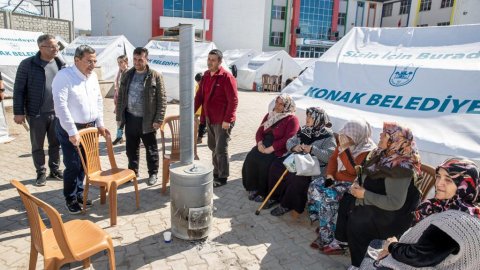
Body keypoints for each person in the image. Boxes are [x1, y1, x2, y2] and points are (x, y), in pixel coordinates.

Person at [359, 158, 480, 270]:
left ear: (465, 185)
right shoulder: (462, 211)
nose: (438, 183)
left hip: (412, 263)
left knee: (368, 255)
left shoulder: (455, 220)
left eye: (448, 180)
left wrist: (392, 247)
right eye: (438, 176)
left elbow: (419, 257)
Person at [336, 122, 421, 268]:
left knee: (358, 220)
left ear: (396, 140)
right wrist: (358, 183)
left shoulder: (400, 167)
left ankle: (360, 264)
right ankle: (349, 247)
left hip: (394, 215)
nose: (380, 136)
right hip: (378, 199)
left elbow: (395, 203)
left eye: (385, 134)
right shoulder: (381, 154)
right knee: (347, 200)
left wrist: (364, 195)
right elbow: (365, 172)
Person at [308, 119, 376, 254]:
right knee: (314, 186)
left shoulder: (367, 151)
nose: (343, 138)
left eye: (348, 136)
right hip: (337, 178)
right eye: (343, 135)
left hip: (353, 183)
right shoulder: (345, 142)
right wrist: (330, 176)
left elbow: (354, 172)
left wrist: (345, 151)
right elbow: (333, 159)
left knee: (328, 197)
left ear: (357, 136)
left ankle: (326, 236)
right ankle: (324, 222)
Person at [52, 45, 106, 214]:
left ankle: (80, 193)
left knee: (85, 164)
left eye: (95, 61)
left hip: (90, 127)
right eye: (89, 61)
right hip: (71, 128)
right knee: (73, 165)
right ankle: (70, 198)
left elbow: (98, 100)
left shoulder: (93, 77)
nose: (93, 65)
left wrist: (101, 123)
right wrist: (72, 132)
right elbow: (60, 106)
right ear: (76, 60)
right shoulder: (64, 76)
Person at [13, 34, 65, 186]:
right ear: (41, 48)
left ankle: (54, 170)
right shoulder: (27, 64)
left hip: (57, 113)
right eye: (52, 46)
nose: (56, 49)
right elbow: (19, 90)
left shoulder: (61, 64)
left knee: (56, 143)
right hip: (36, 113)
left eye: (57, 46)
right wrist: (18, 112)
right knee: (37, 145)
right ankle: (40, 172)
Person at [265, 107, 336, 216]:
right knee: (276, 166)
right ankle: (274, 196)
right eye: (307, 116)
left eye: (311, 117)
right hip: (297, 159)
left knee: (297, 178)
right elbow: (290, 142)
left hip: (312, 167)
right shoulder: (304, 130)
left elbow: (329, 156)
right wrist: (294, 147)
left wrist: (312, 149)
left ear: (318, 119)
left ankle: (287, 205)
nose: (307, 118)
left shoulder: (328, 136)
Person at [116, 47, 167, 186]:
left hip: (148, 120)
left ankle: (153, 173)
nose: (137, 62)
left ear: (146, 59)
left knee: (151, 149)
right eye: (135, 59)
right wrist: (119, 117)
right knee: (131, 148)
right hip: (130, 118)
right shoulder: (127, 74)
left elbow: (162, 99)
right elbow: (121, 96)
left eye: (140, 59)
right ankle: (132, 172)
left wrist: (158, 119)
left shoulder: (155, 76)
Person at [242, 94, 299, 202]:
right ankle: (253, 187)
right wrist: (259, 143)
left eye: (281, 104)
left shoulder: (292, 119)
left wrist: (271, 149)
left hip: (278, 148)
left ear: (287, 106)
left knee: (266, 163)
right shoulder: (270, 115)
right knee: (251, 158)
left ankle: (263, 192)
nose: (277, 105)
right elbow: (259, 131)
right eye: (276, 102)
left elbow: (289, 138)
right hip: (264, 144)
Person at [194, 49, 238, 187]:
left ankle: (222, 176)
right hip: (209, 118)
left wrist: (228, 119)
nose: (210, 62)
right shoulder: (206, 75)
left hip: (222, 119)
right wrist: (191, 111)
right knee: (212, 146)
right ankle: (216, 171)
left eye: (213, 60)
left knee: (220, 148)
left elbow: (233, 100)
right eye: (209, 59)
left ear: (219, 61)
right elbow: (200, 97)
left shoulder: (226, 77)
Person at [112, 55, 129, 145]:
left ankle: (134, 139)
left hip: (126, 102)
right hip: (119, 100)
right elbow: (117, 86)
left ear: (126, 62)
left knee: (126, 121)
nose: (119, 64)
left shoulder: (129, 72)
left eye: (121, 62)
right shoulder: (120, 72)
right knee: (119, 121)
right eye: (118, 62)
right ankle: (119, 137)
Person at [194, 72, 207, 144]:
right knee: (202, 122)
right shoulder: (198, 86)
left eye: (199, 81)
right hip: (200, 107)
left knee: (203, 123)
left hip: (205, 108)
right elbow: (197, 97)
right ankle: (199, 137)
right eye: (197, 82)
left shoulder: (207, 85)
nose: (198, 83)